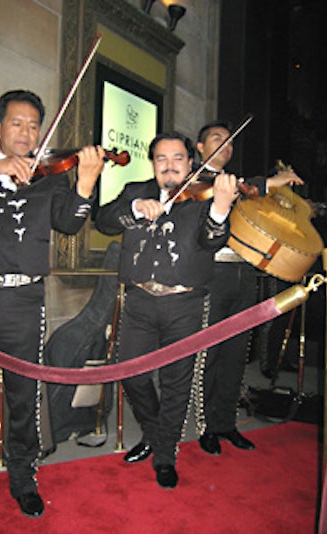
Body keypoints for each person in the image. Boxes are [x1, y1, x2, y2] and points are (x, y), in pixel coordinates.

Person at [0, 89, 105, 517]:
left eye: (35, 125)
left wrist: (85, 183)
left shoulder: (51, 178)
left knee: (23, 393)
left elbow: (69, 223)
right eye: (17, 123)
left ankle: (22, 475)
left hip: (22, 299)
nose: (27, 132)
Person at [95, 131, 238, 489]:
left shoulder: (203, 198)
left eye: (178, 158)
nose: (170, 166)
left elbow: (212, 239)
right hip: (140, 299)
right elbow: (103, 220)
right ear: (153, 163)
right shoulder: (135, 190)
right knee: (132, 374)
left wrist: (221, 207)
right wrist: (133, 209)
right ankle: (156, 433)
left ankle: (164, 454)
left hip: (185, 303)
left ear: (191, 163)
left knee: (176, 382)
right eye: (162, 159)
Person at [195, 120, 304, 456]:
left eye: (230, 142)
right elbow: (250, 186)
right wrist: (271, 181)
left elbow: (255, 191)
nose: (226, 145)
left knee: (236, 352)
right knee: (209, 354)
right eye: (217, 139)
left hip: (244, 273)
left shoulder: (239, 183)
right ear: (200, 147)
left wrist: (281, 191)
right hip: (211, 275)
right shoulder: (193, 179)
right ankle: (206, 426)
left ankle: (226, 422)